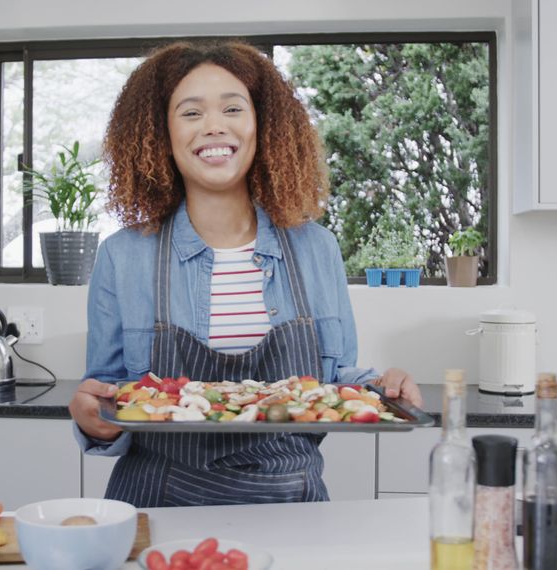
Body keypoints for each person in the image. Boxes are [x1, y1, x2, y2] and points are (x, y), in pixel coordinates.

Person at [69, 40, 423, 508]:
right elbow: (110, 395)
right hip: (158, 500)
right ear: (161, 133)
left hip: (290, 500)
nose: (214, 126)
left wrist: (383, 389)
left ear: (263, 125)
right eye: (190, 113)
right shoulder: (122, 256)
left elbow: (332, 380)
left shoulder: (317, 248)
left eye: (233, 108)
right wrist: (91, 415)